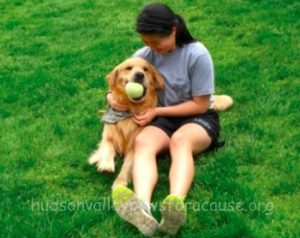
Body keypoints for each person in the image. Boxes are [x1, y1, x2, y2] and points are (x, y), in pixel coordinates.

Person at [108, 3, 221, 236]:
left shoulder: (197, 55)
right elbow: (120, 79)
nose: (151, 48)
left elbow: (200, 104)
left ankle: (174, 204)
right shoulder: (144, 56)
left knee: (180, 141)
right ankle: (142, 208)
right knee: (142, 143)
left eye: (156, 42)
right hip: (161, 118)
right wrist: (110, 97)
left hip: (197, 117)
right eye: (146, 42)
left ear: (173, 30)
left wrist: (157, 112)